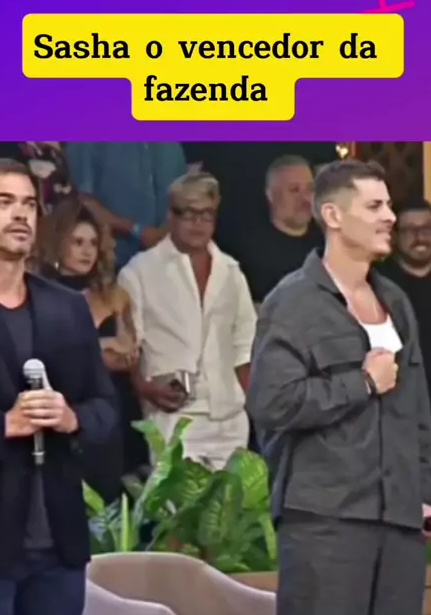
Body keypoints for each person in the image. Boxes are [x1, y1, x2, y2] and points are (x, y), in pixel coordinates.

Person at [247, 159, 431, 615]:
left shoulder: (396, 301)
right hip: (325, 524)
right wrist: (362, 383)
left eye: (388, 205)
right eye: (374, 206)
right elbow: (272, 403)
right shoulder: (292, 303)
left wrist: (417, 494)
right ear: (332, 215)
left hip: (399, 525)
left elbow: (416, 412)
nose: (389, 217)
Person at [0, 159, 117, 615]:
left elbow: (105, 408)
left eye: (29, 204)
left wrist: (71, 418)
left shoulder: (67, 307)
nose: (20, 214)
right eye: (3, 202)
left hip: (58, 548)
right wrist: (4, 426)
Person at [118, 172, 258, 469]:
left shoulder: (231, 271)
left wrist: (253, 407)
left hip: (230, 417)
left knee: (233, 500)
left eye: (207, 215)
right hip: (173, 417)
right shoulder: (139, 272)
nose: (198, 223)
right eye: (189, 213)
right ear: (171, 216)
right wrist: (144, 389)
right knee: (177, 500)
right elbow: (128, 347)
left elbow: (244, 344)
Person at [37, 195, 145, 500]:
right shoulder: (38, 293)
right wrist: (104, 347)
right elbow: (46, 355)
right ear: (59, 243)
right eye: (78, 242)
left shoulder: (113, 295)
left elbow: (129, 351)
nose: (87, 251)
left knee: (112, 500)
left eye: (93, 243)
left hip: (113, 405)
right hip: (64, 408)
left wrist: (95, 350)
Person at [380, 199, 431, 472]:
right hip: (400, 419)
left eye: (427, 228)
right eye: (410, 230)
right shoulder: (377, 284)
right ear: (394, 236)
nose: (420, 236)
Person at [64, 142, 188, 269]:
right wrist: (135, 229)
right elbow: (78, 199)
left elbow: (185, 196)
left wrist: (167, 231)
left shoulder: (171, 143)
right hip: (111, 262)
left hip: (168, 261)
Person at [238, 155, 324, 307]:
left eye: (310, 189)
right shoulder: (249, 255)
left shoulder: (329, 242)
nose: (306, 199)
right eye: (294, 190)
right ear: (271, 195)